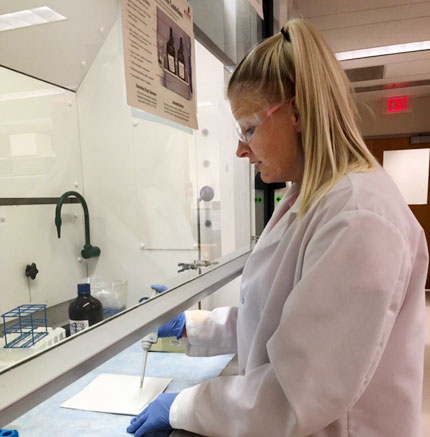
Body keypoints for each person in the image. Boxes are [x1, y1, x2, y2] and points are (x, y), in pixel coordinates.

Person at [127, 18, 428, 437]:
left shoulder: (359, 217)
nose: (240, 147)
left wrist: (184, 405)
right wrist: (192, 327)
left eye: (249, 127)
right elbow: (273, 318)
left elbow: (295, 393)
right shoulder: (309, 197)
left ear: (298, 111)